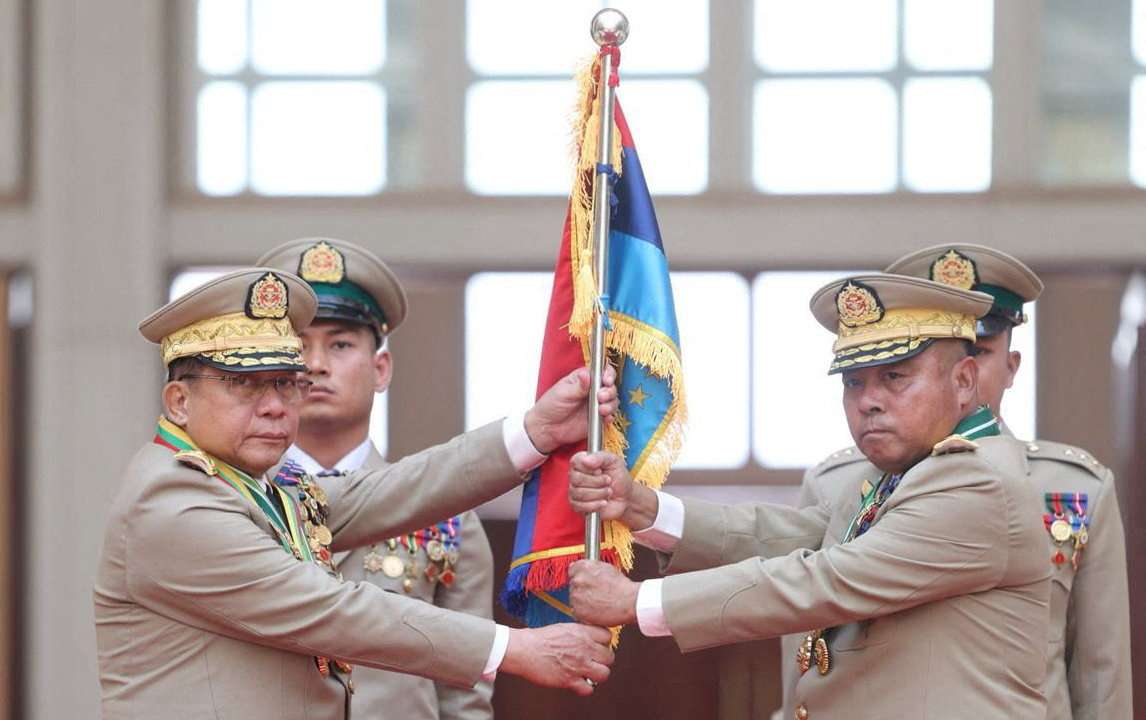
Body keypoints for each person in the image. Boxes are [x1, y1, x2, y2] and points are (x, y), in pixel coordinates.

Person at [94, 268, 619, 719]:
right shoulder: (174, 502)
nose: (275, 406)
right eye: (244, 385)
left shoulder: (249, 486)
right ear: (179, 402)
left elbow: (384, 492)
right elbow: (333, 610)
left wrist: (535, 432)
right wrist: (515, 647)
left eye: (284, 382)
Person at [567, 273, 1051, 719]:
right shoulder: (909, 470)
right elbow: (798, 537)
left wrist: (638, 601)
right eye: (854, 381)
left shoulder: (975, 482)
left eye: (895, 377)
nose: (869, 400)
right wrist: (643, 509)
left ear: (963, 381)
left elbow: (828, 577)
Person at [883, 244, 1132, 719]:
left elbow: (1101, 673)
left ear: (1011, 367)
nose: (962, 375)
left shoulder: (1076, 490)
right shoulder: (845, 485)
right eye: (933, 359)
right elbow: (809, 664)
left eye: (978, 352)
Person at [257, 237, 496, 720]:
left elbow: (465, 688)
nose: (316, 365)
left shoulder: (444, 514)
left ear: (380, 368)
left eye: (341, 344)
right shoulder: (231, 503)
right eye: (298, 346)